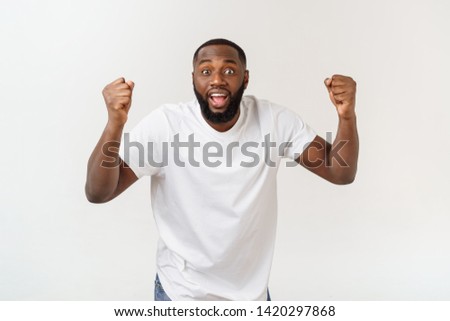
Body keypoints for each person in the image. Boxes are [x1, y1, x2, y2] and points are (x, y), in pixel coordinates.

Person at [85, 38, 359, 301]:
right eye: (206, 71)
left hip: (251, 298)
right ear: (193, 79)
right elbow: (99, 192)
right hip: (180, 295)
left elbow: (340, 172)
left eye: (229, 70)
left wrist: (346, 115)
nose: (217, 79)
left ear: (245, 78)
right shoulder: (166, 125)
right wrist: (115, 124)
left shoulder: (274, 121)